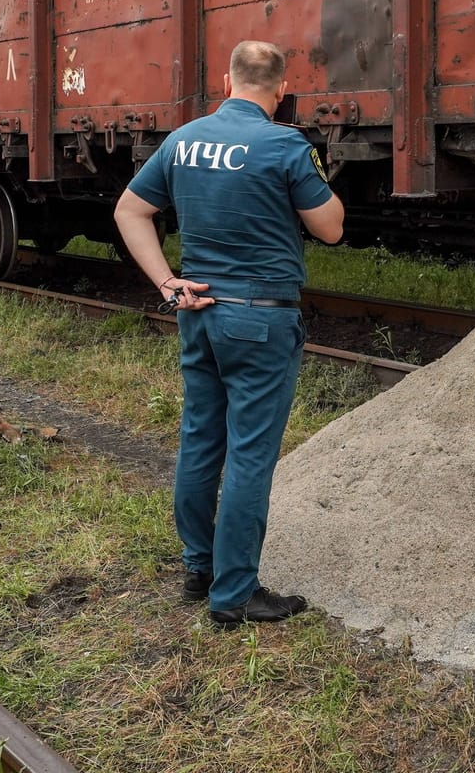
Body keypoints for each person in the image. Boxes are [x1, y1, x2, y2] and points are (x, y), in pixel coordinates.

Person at [115, 40, 344, 625]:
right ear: (282, 89)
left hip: (198, 311)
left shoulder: (182, 140)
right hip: (261, 319)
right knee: (249, 455)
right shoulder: (286, 144)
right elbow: (331, 229)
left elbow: (130, 211)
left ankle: (200, 566)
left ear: (226, 80)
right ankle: (235, 593)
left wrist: (168, 282)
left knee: (200, 439)